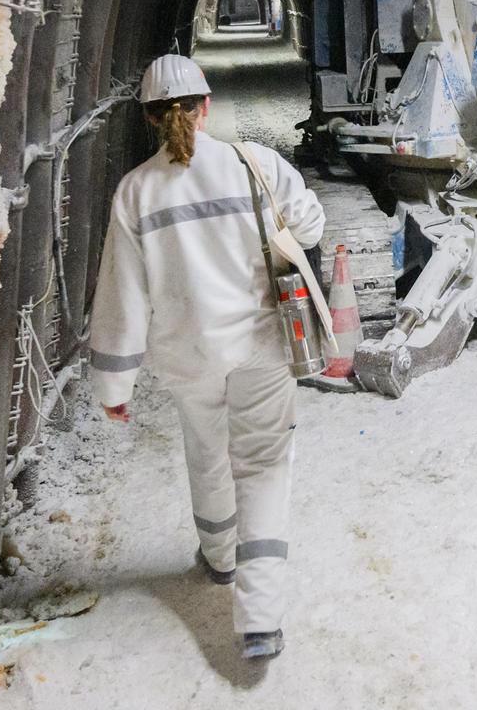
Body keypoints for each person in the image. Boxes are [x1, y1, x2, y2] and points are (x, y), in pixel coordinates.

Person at [87, 53, 327, 660]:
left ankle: (219, 560)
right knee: (264, 468)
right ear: (206, 106)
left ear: (148, 119)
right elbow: (311, 226)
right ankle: (260, 621)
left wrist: (114, 386)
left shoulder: (136, 191)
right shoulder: (255, 164)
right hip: (260, 348)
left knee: (206, 450)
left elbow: (123, 295)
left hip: (188, 354)